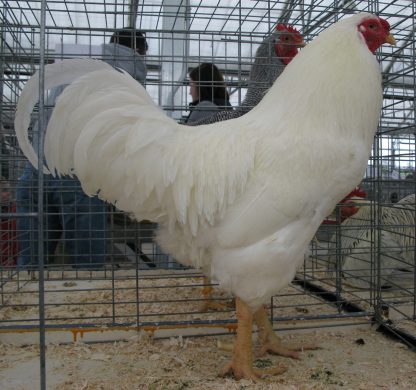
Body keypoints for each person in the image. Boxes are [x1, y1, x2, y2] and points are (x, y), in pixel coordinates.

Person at [16, 29, 148, 269]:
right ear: (139, 51)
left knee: (30, 268)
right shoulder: (130, 73)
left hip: (34, 169)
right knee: (87, 267)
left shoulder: (79, 61)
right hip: (77, 174)